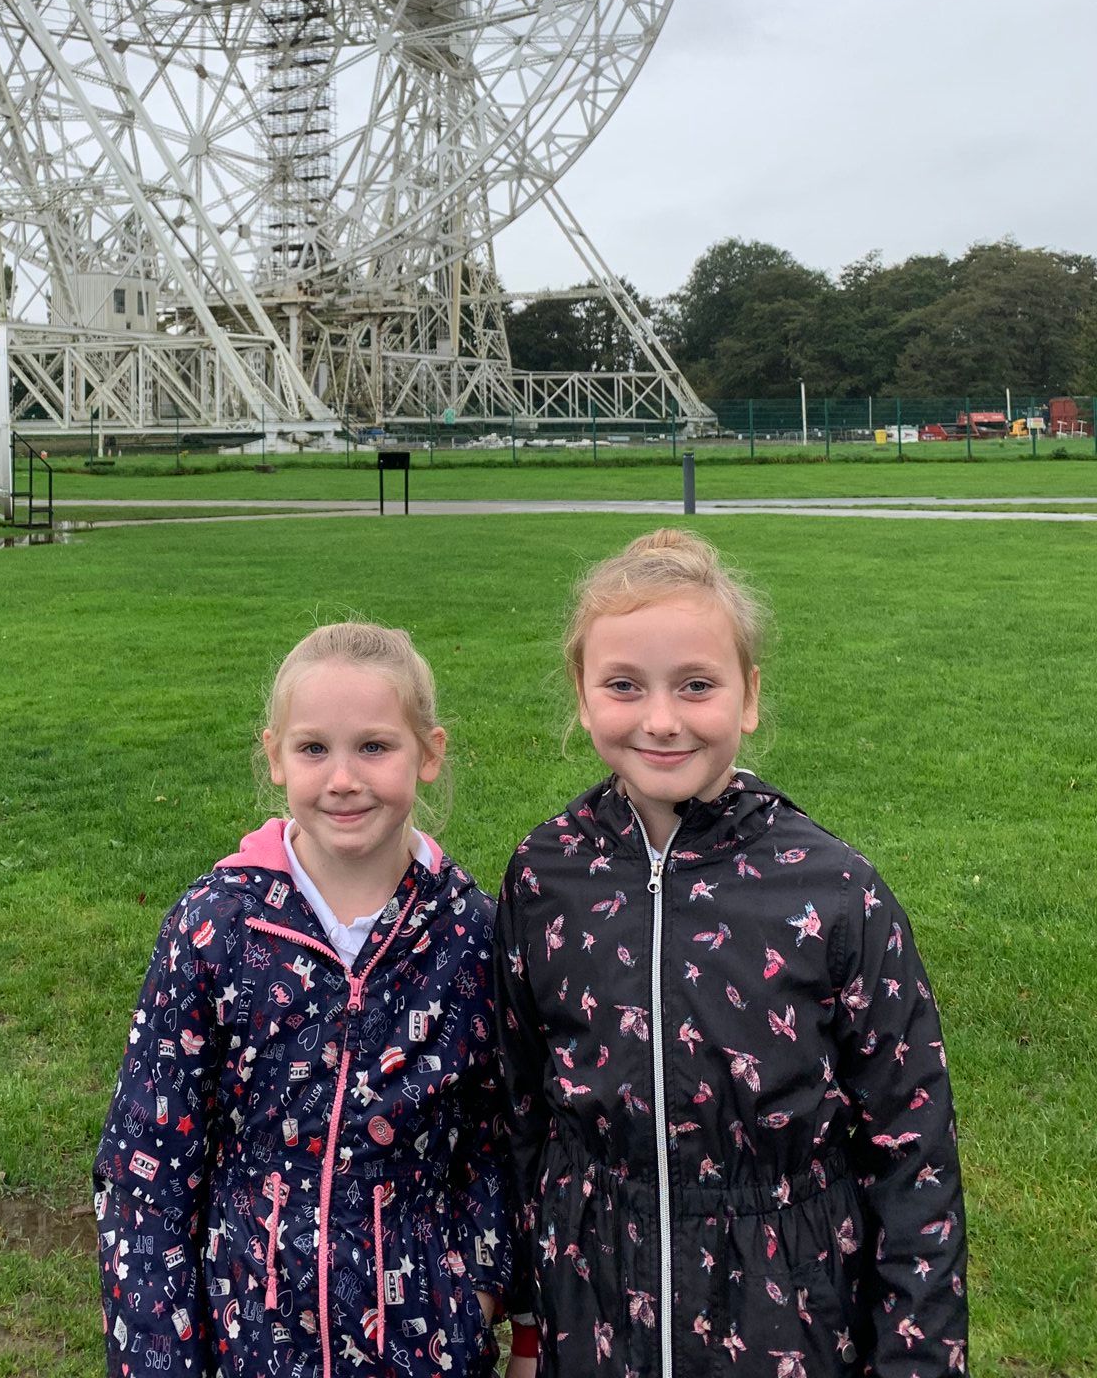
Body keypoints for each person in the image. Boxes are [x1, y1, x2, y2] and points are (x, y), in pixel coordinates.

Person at [495, 529, 968, 1378]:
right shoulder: (545, 876)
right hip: (595, 1304)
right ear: (581, 694)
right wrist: (531, 1315)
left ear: (748, 697)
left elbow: (913, 1147)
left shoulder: (833, 891)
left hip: (787, 1311)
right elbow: (524, 1108)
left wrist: (919, 1356)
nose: (662, 719)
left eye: (697, 686)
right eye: (625, 686)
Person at [95, 621, 515, 1378]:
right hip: (248, 1344)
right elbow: (145, 1170)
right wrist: (159, 1357)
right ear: (275, 756)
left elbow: (497, 1138)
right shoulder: (217, 927)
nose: (343, 779)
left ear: (429, 753)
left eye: (375, 747)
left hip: (423, 1349)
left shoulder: (471, 936)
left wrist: (476, 1296)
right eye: (314, 749)